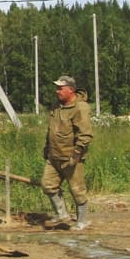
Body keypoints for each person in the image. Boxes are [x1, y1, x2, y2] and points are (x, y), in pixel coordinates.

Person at [42, 74, 93, 230]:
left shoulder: (80, 108)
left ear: (70, 90)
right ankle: (62, 214)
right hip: (54, 156)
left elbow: (85, 134)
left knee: (77, 190)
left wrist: (76, 154)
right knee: (48, 185)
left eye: (60, 88)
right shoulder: (56, 107)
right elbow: (51, 129)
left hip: (71, 157)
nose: (57, 91)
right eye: (57, 88)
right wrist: (46, 147)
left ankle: (82, 221)